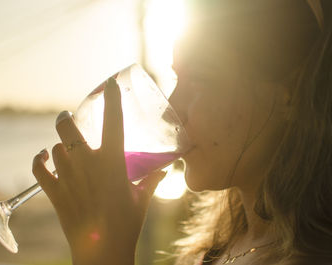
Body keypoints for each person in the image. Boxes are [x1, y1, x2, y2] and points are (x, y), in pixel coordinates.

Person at [32, 0, 332, 264]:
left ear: (291, 94)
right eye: (176, 78)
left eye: (200, 79)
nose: (171, 107)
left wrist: (106, 254)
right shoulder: (213, 252)